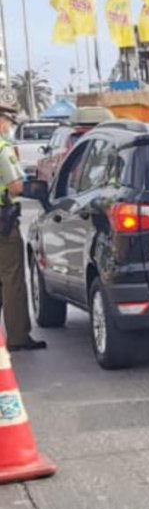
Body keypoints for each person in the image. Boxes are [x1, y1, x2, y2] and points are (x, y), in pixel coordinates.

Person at [0, 104, 45, 351]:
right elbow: (16, 187)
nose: (8, 126)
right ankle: (18, 336)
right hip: (3, 223)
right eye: (8, 121)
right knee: (12, 278)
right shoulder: (2, 148)